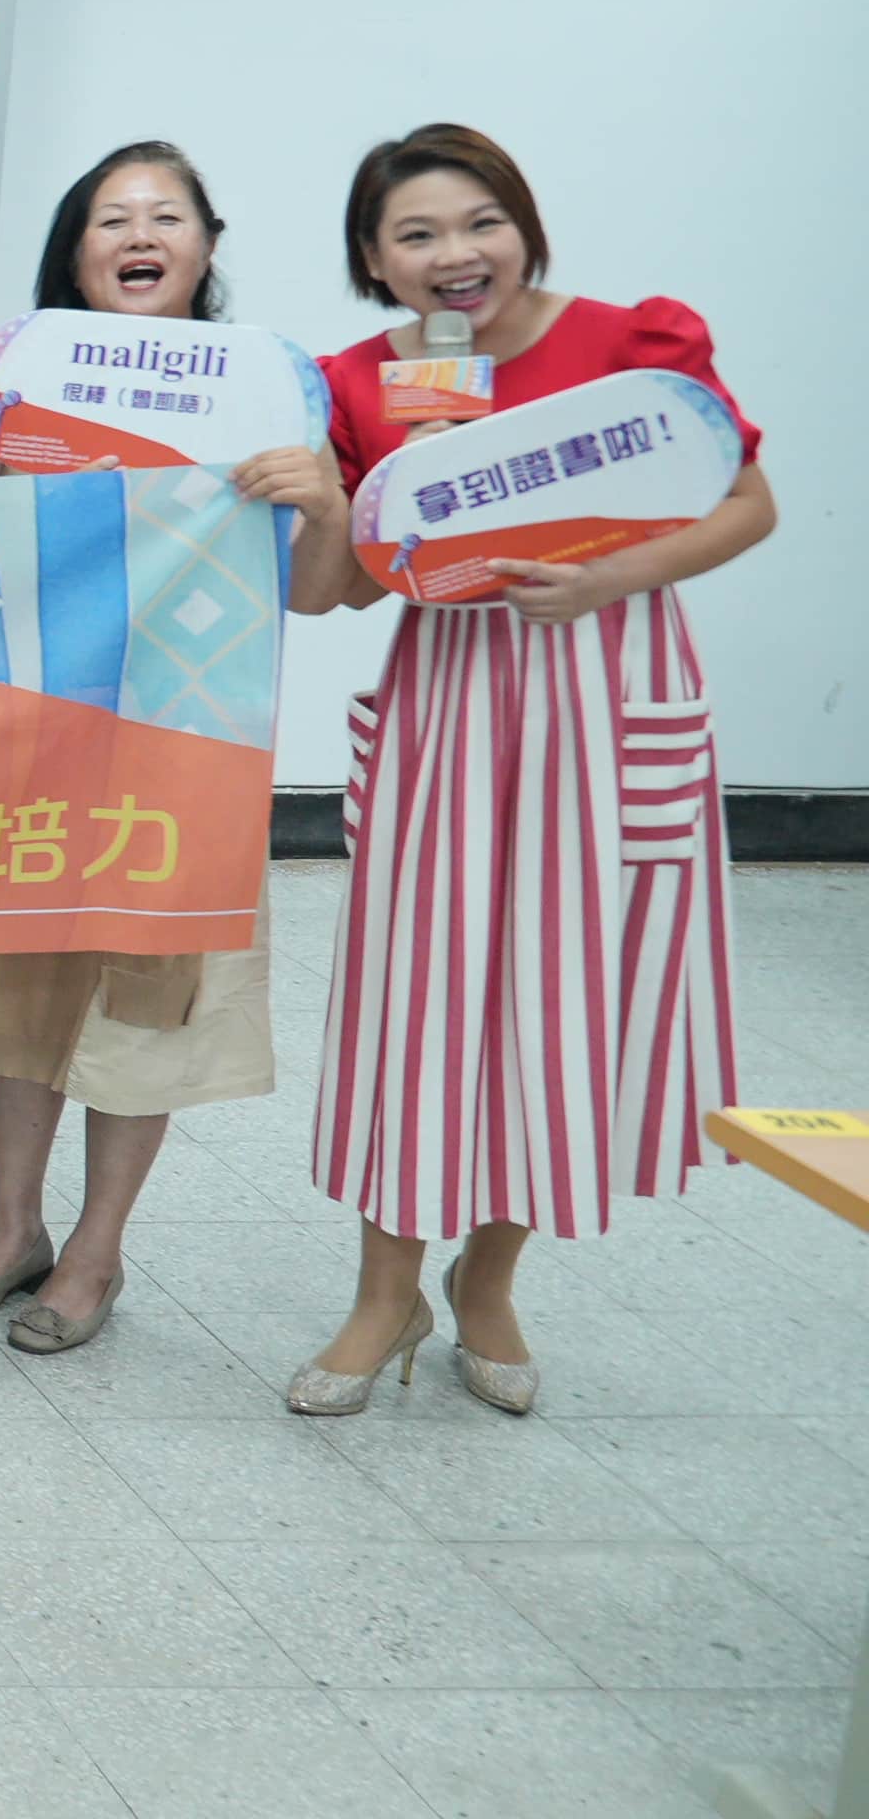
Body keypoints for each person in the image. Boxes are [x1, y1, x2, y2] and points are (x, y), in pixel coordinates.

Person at [285, 124, 771, 1417]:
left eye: (480, 221)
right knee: (419, 998)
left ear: (523, 224)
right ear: (374, 261)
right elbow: (334, 592)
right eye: (417, 234)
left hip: (607, 691)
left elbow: (748, 504)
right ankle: (384, 1292)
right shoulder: (360, 381)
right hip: (450, 701)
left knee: (568, 996)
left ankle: (489, 1278)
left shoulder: (631, 346)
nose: (456, 253)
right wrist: (331, 498)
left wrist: (609, 577)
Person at [0, 145, 332, 1353]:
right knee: (23, 982)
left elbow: (319, 588)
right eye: (110, 218)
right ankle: (11, 1229)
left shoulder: (267, 395)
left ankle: (96, 1250)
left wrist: (322, 500)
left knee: (147, 996)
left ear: (205, 243)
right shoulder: (22, 380)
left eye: (165, 216)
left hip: (188, 741)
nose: (139, 235)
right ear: (76, 251)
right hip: (38, 729)